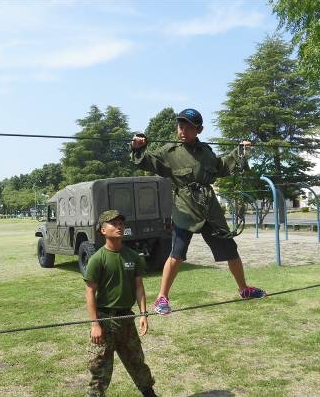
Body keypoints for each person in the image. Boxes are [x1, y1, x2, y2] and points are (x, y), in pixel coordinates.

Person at [130, 108, 266, 315]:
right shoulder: (170, 152)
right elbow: (147, 161)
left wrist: (239, 151)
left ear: (199, 129)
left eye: (188, 127)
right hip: (184, 207)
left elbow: (221, 166)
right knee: (177, 254)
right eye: (180, 126)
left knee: (230, 250)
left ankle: (244, 289)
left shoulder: (206, 151)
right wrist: (138, 148)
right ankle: (161, 298)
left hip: (209, 208)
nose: (182, 130)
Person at [84, 209, 157, 397]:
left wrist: (143, 314)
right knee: (99, 369)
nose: (119, 227)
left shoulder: (133, 256)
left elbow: (139, 287)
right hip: (104, 320)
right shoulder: (97, 259)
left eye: (121, 224)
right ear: (102, 230)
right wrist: (95, 324)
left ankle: (149, 394)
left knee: (137, 362)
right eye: (113, 224)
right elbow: (90, 292)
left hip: (126, 318)